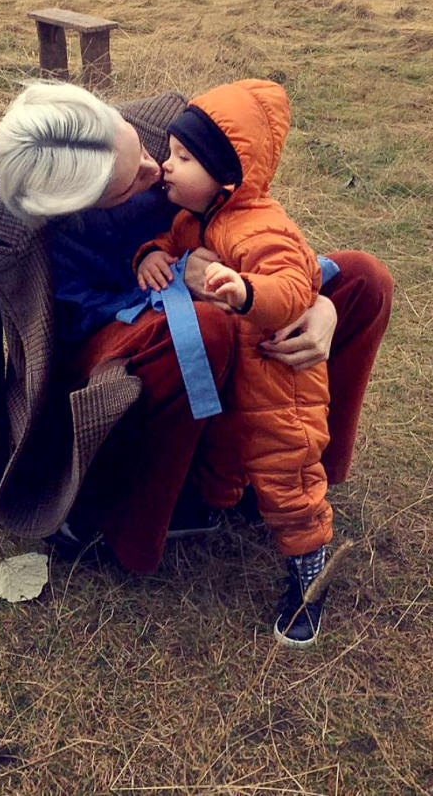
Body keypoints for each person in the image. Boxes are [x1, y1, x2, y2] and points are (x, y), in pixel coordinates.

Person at [0, 81, 393, 630]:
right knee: (200, 329)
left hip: (213, 294)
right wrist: (2, 485)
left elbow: (251, 221)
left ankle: (297, 475)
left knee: (364, 280)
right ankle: (153, 515)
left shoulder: (167, 123)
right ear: (78, 204)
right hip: (103, 336)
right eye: (131, 181)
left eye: (142, 150)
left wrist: (315, 298)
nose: (156, 171)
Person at [134, 79, 335, 646]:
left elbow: (295, 287)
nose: (167, 166)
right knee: (226, 450)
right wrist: (150, 254)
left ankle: (308, 573)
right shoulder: (194, 219)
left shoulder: (261, 226)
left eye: (184, 157)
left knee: (286, 472)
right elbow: (168, 243)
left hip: (281, 380)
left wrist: (246, 292)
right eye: (170, 152)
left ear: (226, 176)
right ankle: (220, 505)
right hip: (234, 377)